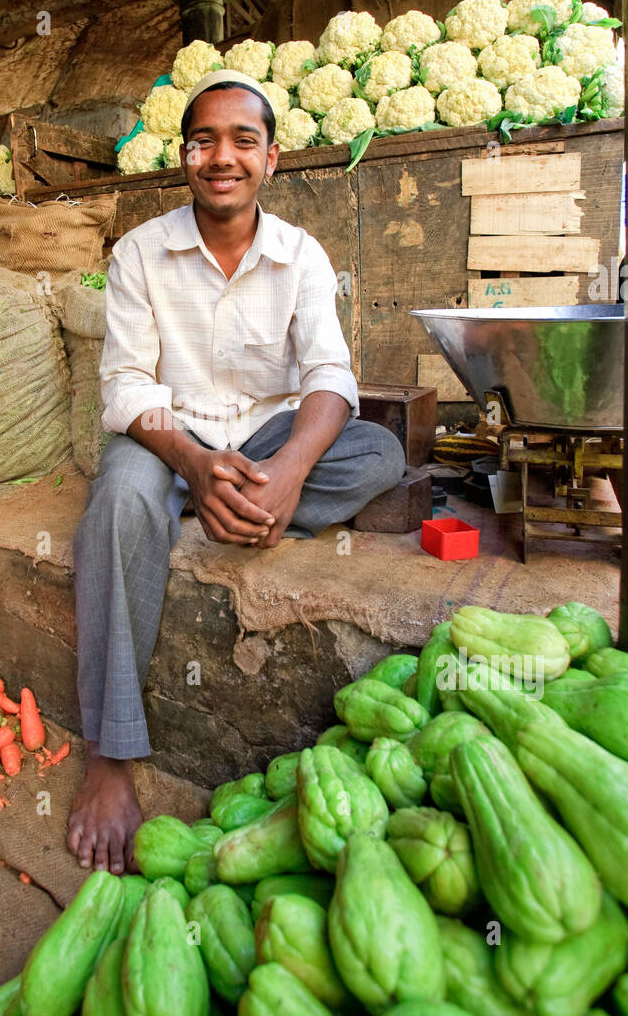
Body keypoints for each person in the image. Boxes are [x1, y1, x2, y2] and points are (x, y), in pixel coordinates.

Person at [67, 69, 406, 873]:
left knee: (380, 453)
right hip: (165, 441)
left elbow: (330, 378)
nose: (223, 156)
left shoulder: (301, 257)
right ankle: (110, 758)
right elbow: (125, 388)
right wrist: (187, 456)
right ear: (184, 157)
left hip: (261, 444)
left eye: (242, 140)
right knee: (118, 496)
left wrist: (286, 470)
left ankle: (227, 503)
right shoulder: (141, 254)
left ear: (271, 158)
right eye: (204, 140)